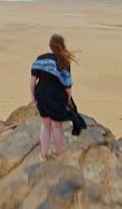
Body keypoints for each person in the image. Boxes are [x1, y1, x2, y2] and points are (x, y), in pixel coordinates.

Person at [30, 34, 86, 162]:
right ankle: (58, 153)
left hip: (42, 95)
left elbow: (33, 78)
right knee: (56, 125)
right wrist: (68, 100)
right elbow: (67, 86)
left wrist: (32, 94)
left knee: (45, 124)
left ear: (50, 45)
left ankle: (43, 155)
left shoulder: (41, 59)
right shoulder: (64, 61)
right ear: (62, 45)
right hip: (57, 97)